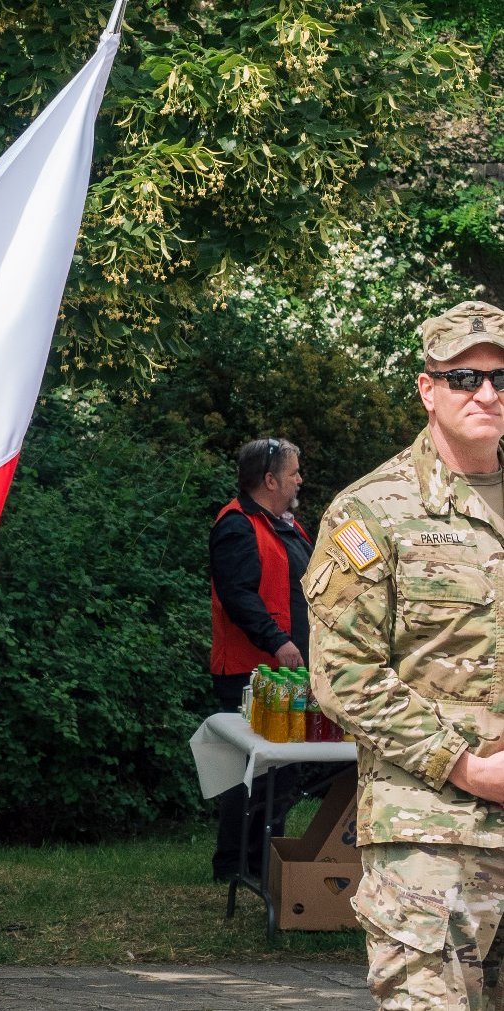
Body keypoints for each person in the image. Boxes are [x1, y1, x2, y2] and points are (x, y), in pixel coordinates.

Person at [306, 300, 504, 1009]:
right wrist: (465, 763)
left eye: (500, 377)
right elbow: (343, 674)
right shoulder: (373, 511)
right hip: (431, 835)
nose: (486, 393)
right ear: (428, 389)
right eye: (463, 378)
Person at [207, 436, 311, 881]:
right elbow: (237, 597)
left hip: (285, 670)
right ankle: (234, 867)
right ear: (269, 480)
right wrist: (278, 641)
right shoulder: (236, 526)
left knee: (280, 773)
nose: (299, 479)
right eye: (293, 472)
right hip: (252, 671)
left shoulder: (286, 525)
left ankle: (262, 863)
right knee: (248, 774)